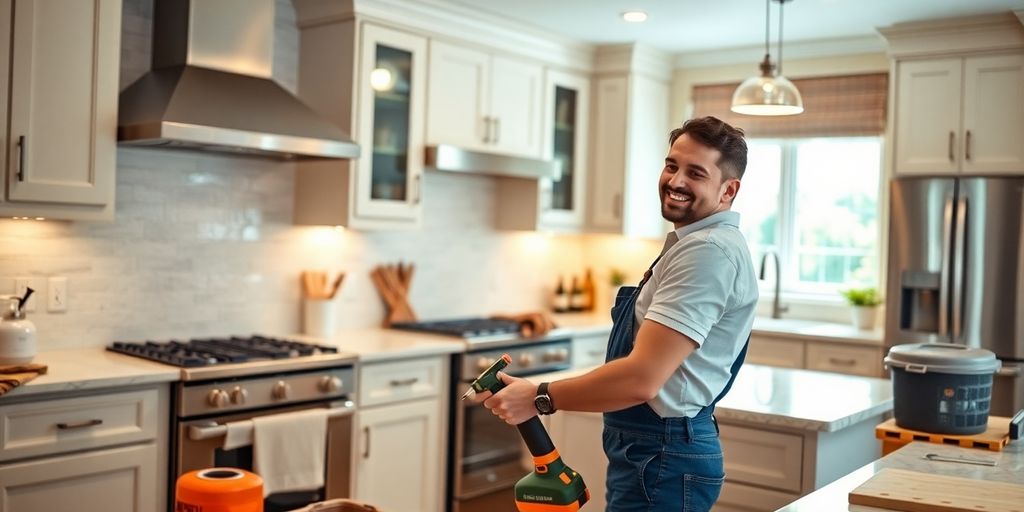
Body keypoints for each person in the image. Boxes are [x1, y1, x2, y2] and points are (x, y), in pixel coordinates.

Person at [475, 116, 758, 511]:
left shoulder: (707, 252)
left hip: (663, 456)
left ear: (728, 190)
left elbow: (642, 379)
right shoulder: (693, 243)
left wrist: (539, 397)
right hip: (653, 453)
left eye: (695, 173)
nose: (675, 181)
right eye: (672, 165)